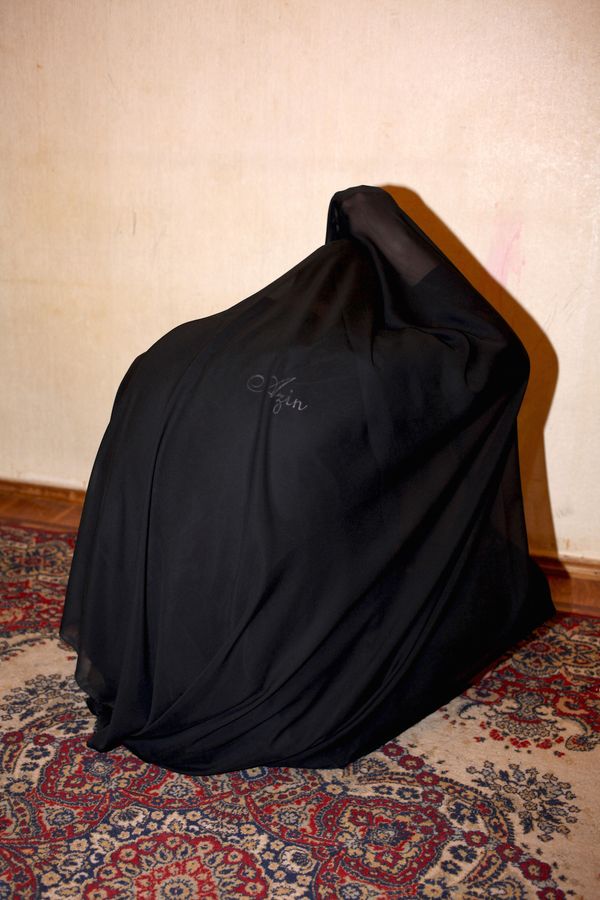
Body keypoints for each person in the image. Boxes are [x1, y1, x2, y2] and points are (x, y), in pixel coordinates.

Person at [59, 185, 554, 775]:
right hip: (264, 651)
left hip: (156, 638)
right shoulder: (370, 376)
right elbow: (496, 354)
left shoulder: (176, 350)